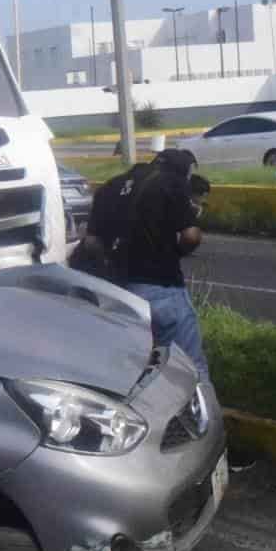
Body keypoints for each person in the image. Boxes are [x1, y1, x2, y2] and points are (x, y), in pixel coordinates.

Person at [79, 148, 210, 381]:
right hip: (160, 287)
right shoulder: (172, 183)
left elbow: (91, 243)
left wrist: (111, 261)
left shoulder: (110, 187)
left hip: (115, 293)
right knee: (189, 370)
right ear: (183, 172)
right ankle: (199, 414)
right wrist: (173, 253)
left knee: (131, 371)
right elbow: (191, 236)